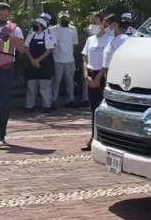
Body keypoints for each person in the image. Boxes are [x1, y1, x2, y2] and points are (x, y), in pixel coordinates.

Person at [0, 3, 29, 147]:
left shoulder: (15, 30)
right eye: (0, 15)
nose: (3, 18)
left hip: (5, 70)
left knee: (3, 104)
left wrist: (13, 39)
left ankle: (0, 136)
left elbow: (23, 50)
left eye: (6, 16)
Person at [81, 13, 109, 152]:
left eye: (96, 22)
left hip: (103, 75)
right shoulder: (90, 40)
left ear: (104, 23)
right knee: (94, 109)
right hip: (91, 75)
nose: (93, 25)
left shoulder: (109, 40)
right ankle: (93, 137)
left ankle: (105, 139)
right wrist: (86, 75)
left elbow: (108, 62)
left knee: (104, 108)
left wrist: (99, 77)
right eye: (92, 22)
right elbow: (85, 59)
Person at [24, 17, 56, 113]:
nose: (35, 25)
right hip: (32, 63)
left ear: (42, 26)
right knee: (31, 85)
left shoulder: (48, 36)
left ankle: (47, 105)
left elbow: (49, 50)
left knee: (45, 86)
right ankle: (29, 106)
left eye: (37, 23)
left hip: (45, 64)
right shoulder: (31, 35)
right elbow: (26, 48)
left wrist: (38, 60)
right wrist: (32, 60)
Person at [50, 11, 79, 109]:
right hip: (57, 59)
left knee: (70, 81)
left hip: (70, 59)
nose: (65, 20)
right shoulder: (53, 29)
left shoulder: (73, 29)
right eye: (63, 18)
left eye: (66, 18)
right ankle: (53, 101)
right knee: (56, 81)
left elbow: (75, 44)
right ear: (59, 19)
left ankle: (70, 100)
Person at [100, 14, 131, 80]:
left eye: (106, 26)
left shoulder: (123, 39)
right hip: (108, 76)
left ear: (115, 25)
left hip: (117, 76)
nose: (105, 29)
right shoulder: (112, 38)